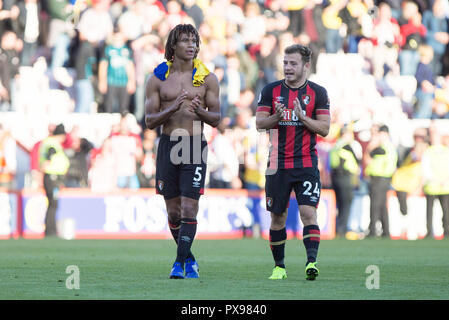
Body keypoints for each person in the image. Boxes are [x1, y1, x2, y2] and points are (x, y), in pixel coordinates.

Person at [145, 24, 220, 279]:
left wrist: (200, 112)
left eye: (194, 41)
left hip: (193, 145)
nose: (192, 45)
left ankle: (178, 264)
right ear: (173, 45)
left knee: (190, 209)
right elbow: (149, 120)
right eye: (186, 41)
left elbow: (217, 118)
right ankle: (189, 258)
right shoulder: (157, 79)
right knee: (174, 212)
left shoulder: (207, 78)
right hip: (168, 144)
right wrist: (173, 107)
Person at [256, 44, 331, 281]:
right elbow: (259, 123)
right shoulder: (271, 90)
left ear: (306, 65)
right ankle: (279, 267)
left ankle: (311, 262)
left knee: (308, 213)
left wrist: (302, 117)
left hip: (306, 163)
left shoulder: (318, 93)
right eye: (285, 63)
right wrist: (277, 117)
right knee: (277, 217)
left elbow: (325, 128)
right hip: (277, 164)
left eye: (293, 63)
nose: (287, 67)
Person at [364, 124, 397, 238]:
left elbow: (369, 154)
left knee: (375, 205)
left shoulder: (384, 147)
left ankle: (372, 230)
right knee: (382, 206)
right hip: (383, 178)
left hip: (379, 178)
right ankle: (385, 231)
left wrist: (373, 142)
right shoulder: (389, 146)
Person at [329, 124, 361, 237]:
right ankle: (342, 230)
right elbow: (357, 161)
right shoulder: (346, 145)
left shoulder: (335, 145)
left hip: (335, 177)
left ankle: (338, 229)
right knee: (346, 204)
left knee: (340, 204)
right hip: (346, 177)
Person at [38, 124, 70, 237]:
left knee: (52, 204)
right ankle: (50, 231)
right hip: (52, 177)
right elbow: (49, 156)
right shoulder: (52, 143)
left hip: (52, 177)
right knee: (53, 204)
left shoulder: (48, 142)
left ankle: (50, 230)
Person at [421, 125, 449, 238]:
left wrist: (444, 180)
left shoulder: (446, 150)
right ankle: (429, 231)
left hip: (445, 185)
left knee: (446, 211)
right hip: (432, 185)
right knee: (430, 211)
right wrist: (436, 179)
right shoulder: (428, 151)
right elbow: (425, 168)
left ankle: (446, 230)